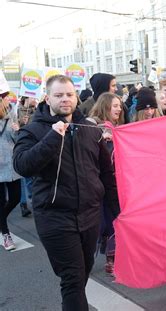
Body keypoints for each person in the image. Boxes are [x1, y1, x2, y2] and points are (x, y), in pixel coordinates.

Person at [13, 75, 120, 309]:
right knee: (72, 278)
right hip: (55, 217)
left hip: (89, 215)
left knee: (81, 275)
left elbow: (105, 173)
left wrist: (118, 210)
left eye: (69, 95)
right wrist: (53, 137)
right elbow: (22, 165)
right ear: (47, 97)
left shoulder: (90, 129)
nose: (65, 100)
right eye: (58, 95)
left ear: (76, 96)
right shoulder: (32, 130)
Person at [88, 92, 124, 276]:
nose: (119, 108)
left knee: (114, 221)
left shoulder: (118, 128)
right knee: (107, 222)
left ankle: (113, 257)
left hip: (118, 184)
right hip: (100, 185)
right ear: (105, 106)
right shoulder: (92, 127)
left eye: (120, 105)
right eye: (115, 105)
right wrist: (102, 140)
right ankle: (108, 258)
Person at [0, 87, 21, 251]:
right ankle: (5, 234)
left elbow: (16, 140)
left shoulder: (12, 113)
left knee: (15, 198)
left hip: (11, 163)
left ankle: (1, 220)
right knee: (1, 201)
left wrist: (17, 131)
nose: (8, 99)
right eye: (5, 97)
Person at [17, 96, 39, 217]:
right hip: (22, 147)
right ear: (26, 98)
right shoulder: (17, 111)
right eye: (32, 98)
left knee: (31, 176)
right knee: (25, 177)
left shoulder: (36, 111)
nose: (35, 100)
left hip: (34, 146)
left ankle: (31, 199)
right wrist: (21, 123)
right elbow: (15, 130)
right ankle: (24, 203)